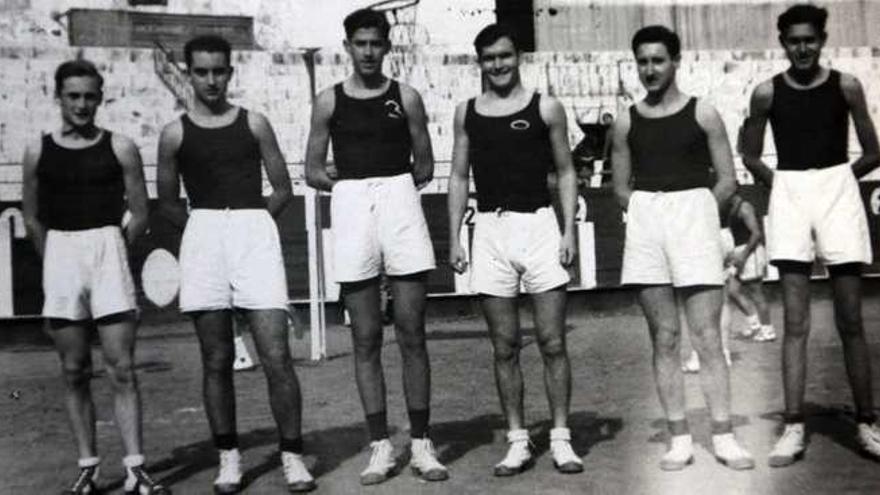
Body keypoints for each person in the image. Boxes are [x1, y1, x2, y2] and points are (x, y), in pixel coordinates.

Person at [156, 35, 315, 493]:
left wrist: (253, 227)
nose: (211, 79)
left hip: (253, 235)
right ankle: (229, 458)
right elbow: (167, 202)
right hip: (204, 235)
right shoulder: (174, 134)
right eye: (202, 71)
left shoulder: (255, 123)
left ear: (230, 72)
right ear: (188, 73)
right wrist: (206, 232)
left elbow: (283, 187)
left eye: (218, 70)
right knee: (216, 357)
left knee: (276, 355)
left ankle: (292, 456)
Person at [303, 9, 447, 485]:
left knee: (412, 330)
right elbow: (312, 169)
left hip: (399, 201)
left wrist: (389, 187)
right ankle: (381, 447)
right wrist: (348, 185)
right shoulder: (328, 101)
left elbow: (424, 166)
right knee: (365, 336)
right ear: (347, 46)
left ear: (387, 47)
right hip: (350, 205)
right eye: (359, 43)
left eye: (375, 43)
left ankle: (422, 445)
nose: (367, 51)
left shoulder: (406, 96)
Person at [21, 59, 170, 494]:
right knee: (73, 369)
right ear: (59, 97)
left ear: (100, 98)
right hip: (62, 252)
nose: (82, 104)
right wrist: (55, 260)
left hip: (108, 250)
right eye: (73, 96)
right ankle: (87, 466)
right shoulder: (37, 150)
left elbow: (141, 211)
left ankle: (136, 468)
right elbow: (31, 218)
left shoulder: (121, 147)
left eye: (89, 96)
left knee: (121, 367)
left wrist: (115, 247)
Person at [741, 3, 880, 466]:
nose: (802, 47)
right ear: (783, 43)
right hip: (791, 193)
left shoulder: (846, 85)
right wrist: (783, 186)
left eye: (810, 39)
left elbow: (874, 150)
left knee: (850, 320)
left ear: (822, 40)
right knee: (795, 323)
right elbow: (751, 154)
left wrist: (839, 179)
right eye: (793, 40)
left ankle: (866, 422)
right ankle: (794, 425)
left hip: (838, 190)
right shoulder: (766, 93)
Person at [611, 25, 754, 471]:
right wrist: (651, 213)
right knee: (665, 338)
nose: (650, 69)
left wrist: (697, 215)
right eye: (642, 61)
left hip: (695, 215)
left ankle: (724, 435)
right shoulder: (626, 120)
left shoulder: (704, 113)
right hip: (648, 222)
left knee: (708, 337)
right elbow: (619, 188)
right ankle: (678, 437)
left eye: (658, 60)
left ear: (676, 62)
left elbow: (728, 179)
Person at [448, 23, 583, 476]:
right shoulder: (466, 111)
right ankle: (518, 440)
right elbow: (458, 177)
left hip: (540, 226)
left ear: (517, 56)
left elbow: (566, 171)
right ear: (479, 62)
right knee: (504, 346)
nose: (498, 65)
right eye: (489, 58)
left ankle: (562, 439)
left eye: (504, 56)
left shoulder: (546, 107)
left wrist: (568, 232)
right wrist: (453, 238)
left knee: (552, 341)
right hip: (490, 229)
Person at [682, 193, 774, 373]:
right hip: (726, 240)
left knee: (699, 298)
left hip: (727, 244)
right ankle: (730, 346)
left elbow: (756, 233)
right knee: (728, 294)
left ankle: (767, 329)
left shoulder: (742, 207)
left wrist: (745, 254)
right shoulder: (728, 206)